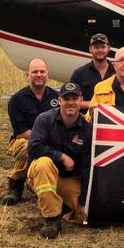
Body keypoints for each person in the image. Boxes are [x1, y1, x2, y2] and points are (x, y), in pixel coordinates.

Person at [26, 82, 91, 239]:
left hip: (66, 179)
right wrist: (60, 156)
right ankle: (52, 219)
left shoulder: (87, 129)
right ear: (59, 100)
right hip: (41, 173)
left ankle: (58, 201)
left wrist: (83, 201)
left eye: (74, 98)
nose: (70, 102)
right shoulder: (44, 119)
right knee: (43, 164)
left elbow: (86, 166)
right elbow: (33, 148)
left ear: (81, 100)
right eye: (66, 98)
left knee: (86, 215)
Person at [2, 59, 59, 206]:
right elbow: (21, 132)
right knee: (28, 147)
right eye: (34, 72)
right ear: (27, 74)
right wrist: (45, 140)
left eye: (42, 71)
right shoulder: (16, 100)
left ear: (47, 74)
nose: (38, 74)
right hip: (23, 140)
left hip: (53, 140)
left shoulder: (57, 98)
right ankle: (16, 183)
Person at [69, 33, 115, 111]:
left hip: (113, 120)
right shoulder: (78, 74)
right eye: (96, 47)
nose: (100, 50)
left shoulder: (117, 73)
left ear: (108, 48)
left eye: (103, 47)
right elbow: (71, 102)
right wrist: (95, 104)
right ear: (90, 49)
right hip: (86, 121)